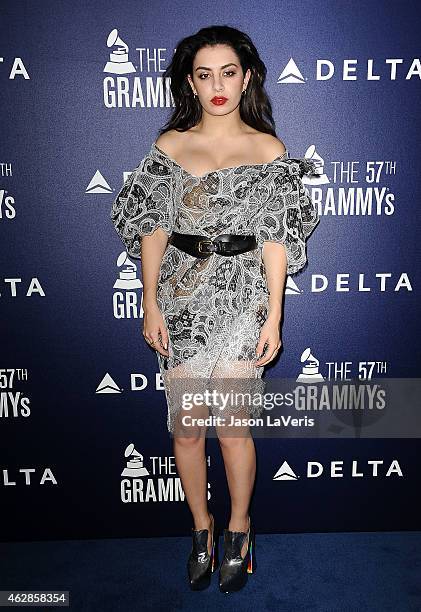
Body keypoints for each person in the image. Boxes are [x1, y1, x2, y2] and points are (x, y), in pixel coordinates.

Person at [110, 25, 319, 594]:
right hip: (180, 297)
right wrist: (150, 300)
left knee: (232, 429)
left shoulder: (269, 150)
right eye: (204, 74)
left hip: (241, 297)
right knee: (186, 429)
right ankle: (200, 530)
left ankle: (239, 528)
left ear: (247, 77)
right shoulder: (170, 146)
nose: (217, 85)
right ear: (189, 83)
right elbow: (152, 229)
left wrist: (274, 314)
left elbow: (276, 237)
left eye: (228, 72)